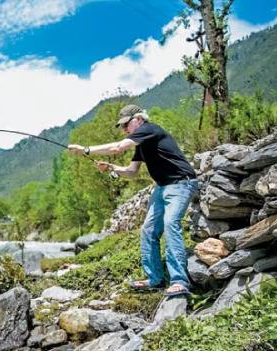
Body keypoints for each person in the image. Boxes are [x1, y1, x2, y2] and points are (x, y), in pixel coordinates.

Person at [68, 104, 198, 296]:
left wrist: (86, 150)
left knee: (171, 224)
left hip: (181, 183)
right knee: (148, 230)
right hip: (162, 187)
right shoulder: (142, 143)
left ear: (138, 119)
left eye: (125, 125)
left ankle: (179, 281)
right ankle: (155, 279)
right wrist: (111, 168)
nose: (124, 130)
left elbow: (118, 147)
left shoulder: (150, 130)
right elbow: (131, 172)